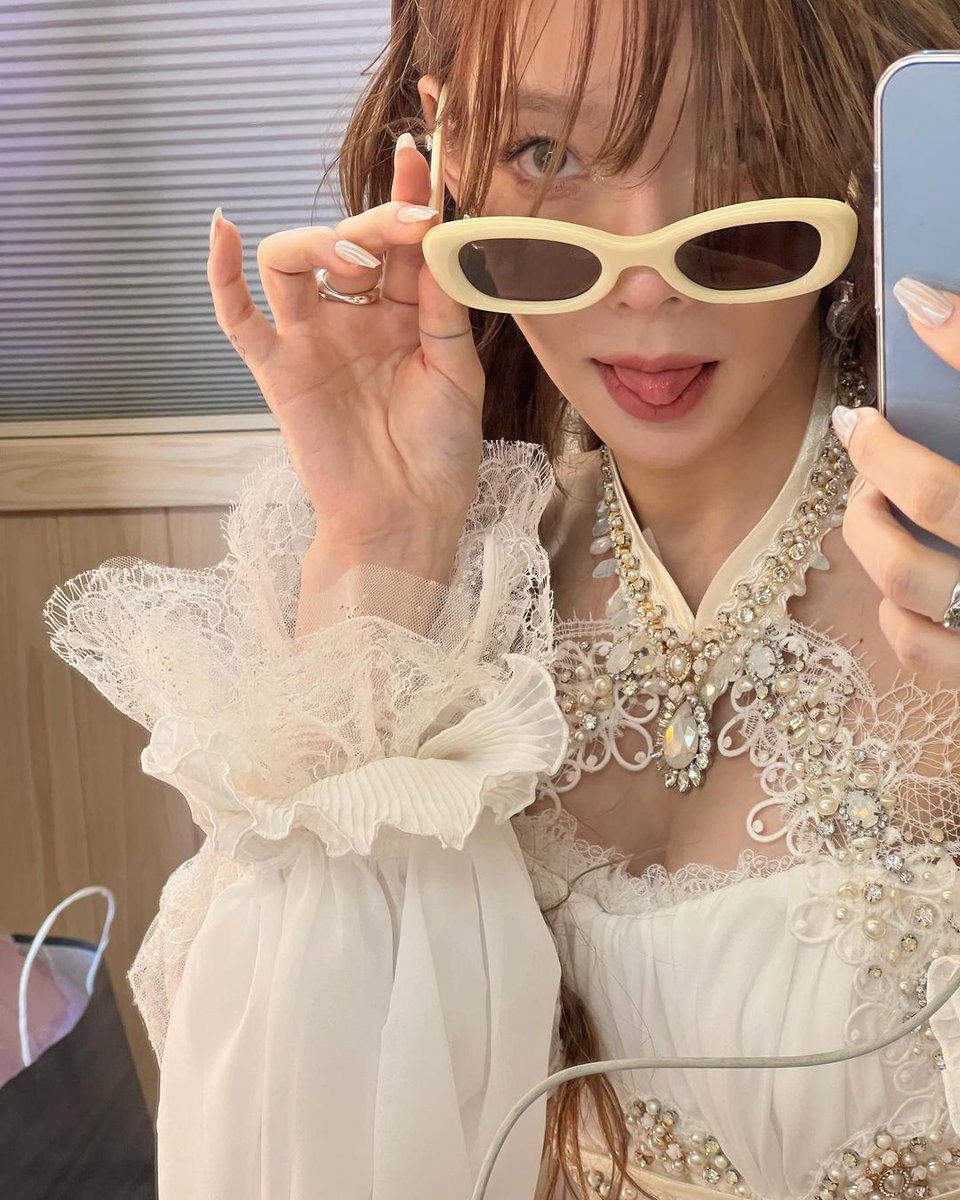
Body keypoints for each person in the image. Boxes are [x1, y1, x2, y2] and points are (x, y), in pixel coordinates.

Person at [42, 1, 960, 1197]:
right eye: (546, 152)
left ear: (853, 145)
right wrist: (381, 550)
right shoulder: (457, 585)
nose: (647, 276)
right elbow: (293, 1152)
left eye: (746, 144)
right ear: (449, 154)